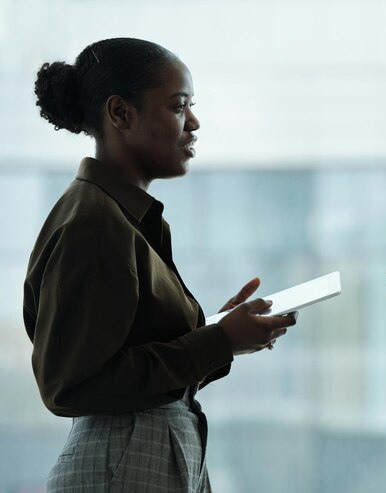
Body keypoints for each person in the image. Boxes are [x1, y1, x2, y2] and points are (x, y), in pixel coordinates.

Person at [23, 38, 297, 492]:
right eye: (178, 106)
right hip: (123, 468)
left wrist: (221, 336)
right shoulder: (94, 222)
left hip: (139, 463)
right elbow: (70, 384)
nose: (194, 122)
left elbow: (130, 363)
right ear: (120, 113)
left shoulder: (121, 217)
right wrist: (215, 341)